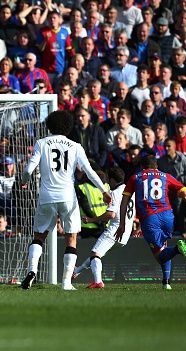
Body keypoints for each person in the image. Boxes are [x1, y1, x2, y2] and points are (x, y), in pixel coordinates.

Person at [20, 111, 111, 291]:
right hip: (68, 198)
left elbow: (29, 169)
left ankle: (31, 272)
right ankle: (66, 283)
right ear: (68, 127)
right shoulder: (75, 145)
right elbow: (89, 171)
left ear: (49, 125)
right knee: (71, 238)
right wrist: (104, 190)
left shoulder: (41, 143)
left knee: (39, 237)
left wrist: (23, 181)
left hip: (46, 197)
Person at [115, 155, 186, 290]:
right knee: (163, 246)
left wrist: (122, 223)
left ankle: (177, 249)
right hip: (168, 216)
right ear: (156, 166)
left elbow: (124, 203)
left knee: (159, 256)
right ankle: (166, 282)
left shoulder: (135, 177)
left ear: (142, 167)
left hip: (150, 218)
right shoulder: (166, 176)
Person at [73, 168, 135, 288]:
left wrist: (91, 219)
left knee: (95, 254)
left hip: (115, 230)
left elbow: (111, 214)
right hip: (126, 233)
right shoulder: (129, 190)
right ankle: (77, 271)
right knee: (97, 254)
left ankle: (98, 282)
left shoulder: (115, 193)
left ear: (112, 180)